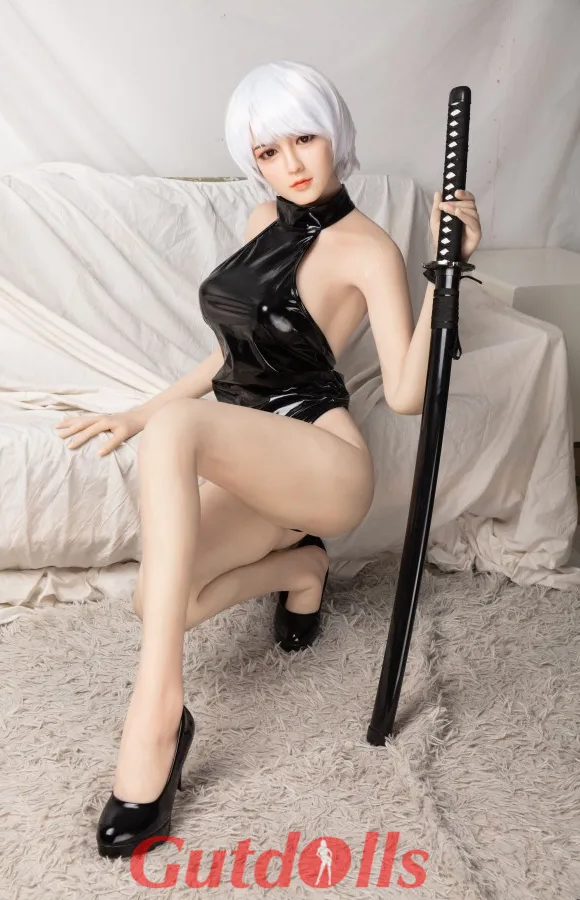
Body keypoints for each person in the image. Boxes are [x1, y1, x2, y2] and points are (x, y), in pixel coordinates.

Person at [55, 59, 481, 859]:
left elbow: (406, 394)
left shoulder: (368, 249)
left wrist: (444, 274)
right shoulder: (262, 219)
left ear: (335, 134)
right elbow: (234, 356)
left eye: (304, 139)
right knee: (159, 602)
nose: (291, 164)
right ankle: (300, 570)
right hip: (258, 459)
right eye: (268, 151)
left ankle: (155, 721)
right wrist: (138, 412)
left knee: (180, 431)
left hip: (324, 461)